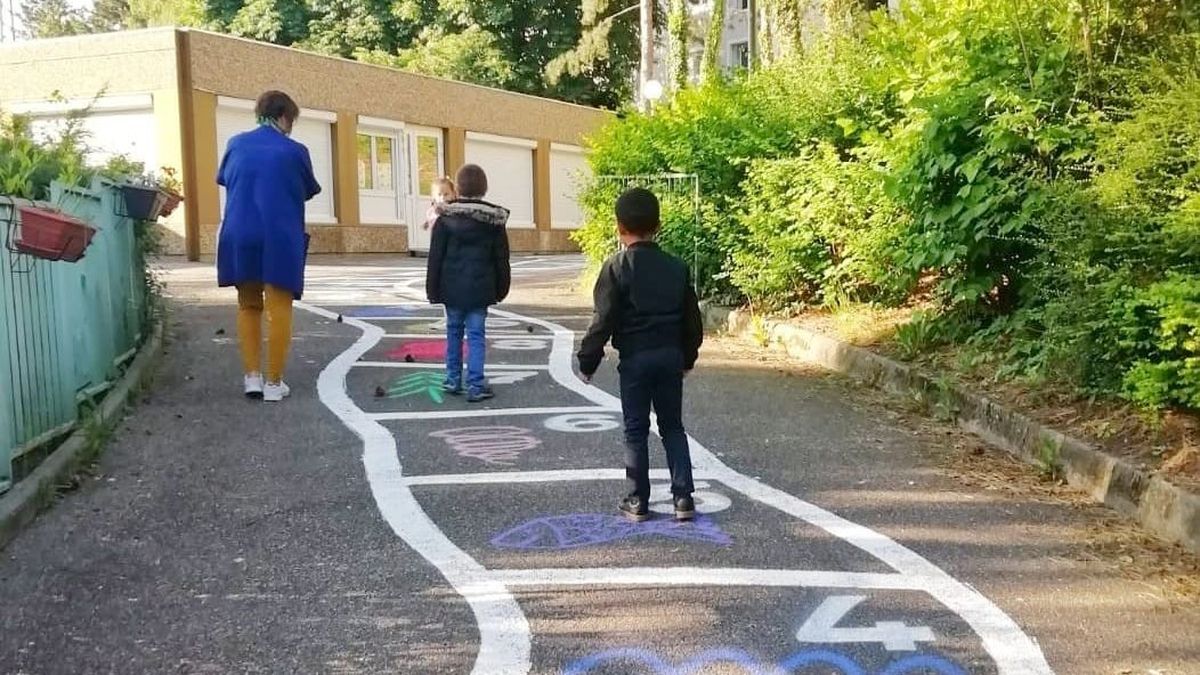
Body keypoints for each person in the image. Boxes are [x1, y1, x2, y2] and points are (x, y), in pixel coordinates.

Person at [577, 188, 704, 522]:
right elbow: (692, 318)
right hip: (669, 356)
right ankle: (683, 498)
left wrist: (587, 360)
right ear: (658, 225)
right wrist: (687, 357)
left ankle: (637, 500)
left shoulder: (616, 267)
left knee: (635, 428)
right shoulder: (676, 267)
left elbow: (602, 319)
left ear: (619, 227)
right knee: (672, 426)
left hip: (634, 359)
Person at [216, 90, 321, 403]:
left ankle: (252, 377)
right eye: (292, 121)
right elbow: (306, 190)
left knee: (248, 305)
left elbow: (225, 178)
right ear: (284, 116)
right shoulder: (295, 151)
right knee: (279, 308)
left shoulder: (235, 144)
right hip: (279, 236)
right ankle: (274, 382)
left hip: (239, 233)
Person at [425, 164, 511, 403]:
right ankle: (475, 384)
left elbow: (435, 257)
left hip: (451, 287)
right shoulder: (494, 221)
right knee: (476, 334)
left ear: (458, 188)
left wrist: (432, 289)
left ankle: (452, 378)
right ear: (484, 189)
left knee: (453, 331)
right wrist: (502, 288)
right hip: (480, 288)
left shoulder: (444, 217)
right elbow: (501, 258)